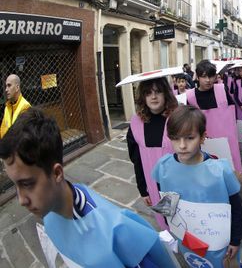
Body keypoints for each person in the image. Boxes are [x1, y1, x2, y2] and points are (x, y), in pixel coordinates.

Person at [0, 108, 177, 267]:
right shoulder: (50, 212)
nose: (21, 200)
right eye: (15, 185)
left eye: (27, 184)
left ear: (56, 174)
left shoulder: (116, 232)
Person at [152, 105, 242, 267]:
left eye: (189, 138)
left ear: (202, 137)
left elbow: (236, 207)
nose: (182, 145)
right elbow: (165, 200)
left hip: (218, 243)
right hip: (186, 239)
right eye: (175, 138)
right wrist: (171, 226)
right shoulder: (163, 166)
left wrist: (236, 239)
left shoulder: (220, 170)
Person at [127, 77, 178, 230]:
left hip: (180, 183)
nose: (153, 97)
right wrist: (142, 189)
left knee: (186, 221)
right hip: (155, 186)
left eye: (158, 92)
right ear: (143, 97)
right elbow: (137, 159)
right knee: (167, 222)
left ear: (166, 94)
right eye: (148, 93)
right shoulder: (136, 123)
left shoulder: (178, 117)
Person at [186, 59, 242, 173]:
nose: (208, 80)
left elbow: (232, 112)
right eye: (204, 76)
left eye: (211, 76)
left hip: (227, 142)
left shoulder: (222, 89)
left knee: (230, 173)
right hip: (204, 144)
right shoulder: (190, 96)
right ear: (197, 77)